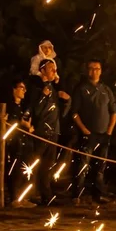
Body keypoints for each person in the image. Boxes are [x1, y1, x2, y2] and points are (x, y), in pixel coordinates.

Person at [22, 59, 71, 205]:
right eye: (50, 69)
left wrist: (67, 100)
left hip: (54, 131)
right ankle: (31, 193)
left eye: (54, 69)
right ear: (42, 70)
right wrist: (43, 96)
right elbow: (34, 110)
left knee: (48, 165)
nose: (54, 72)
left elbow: (61, 113)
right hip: (40, 131)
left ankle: (46, 194)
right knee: (35, 164)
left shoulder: (54, 88)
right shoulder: (36, 87)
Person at [71, 59, 116, 204]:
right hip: (88, 135)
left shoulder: (106, 90)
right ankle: (76, 195)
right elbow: (74, 113)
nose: (94, 71)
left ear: (101, 71)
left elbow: (114, 112)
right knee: (82, 165)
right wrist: (84, 130)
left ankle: (98, 195)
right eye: (91, 68)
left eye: (97, 68)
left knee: (101, 166)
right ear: (87, 71)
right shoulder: (81, 89)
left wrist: (109, 130)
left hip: (104, 134)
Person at [4, 78, 34, 206]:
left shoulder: (23, 107)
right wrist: (20, 124)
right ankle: (14, 197)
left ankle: (23, 196)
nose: (24, 91)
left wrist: (29, 127)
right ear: (14, 89)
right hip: (14, 142)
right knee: (15, 169)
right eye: (21, 87)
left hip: (24, 140)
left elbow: (26, 121)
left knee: (25, 169)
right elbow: (7, 123)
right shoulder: (8, 106)